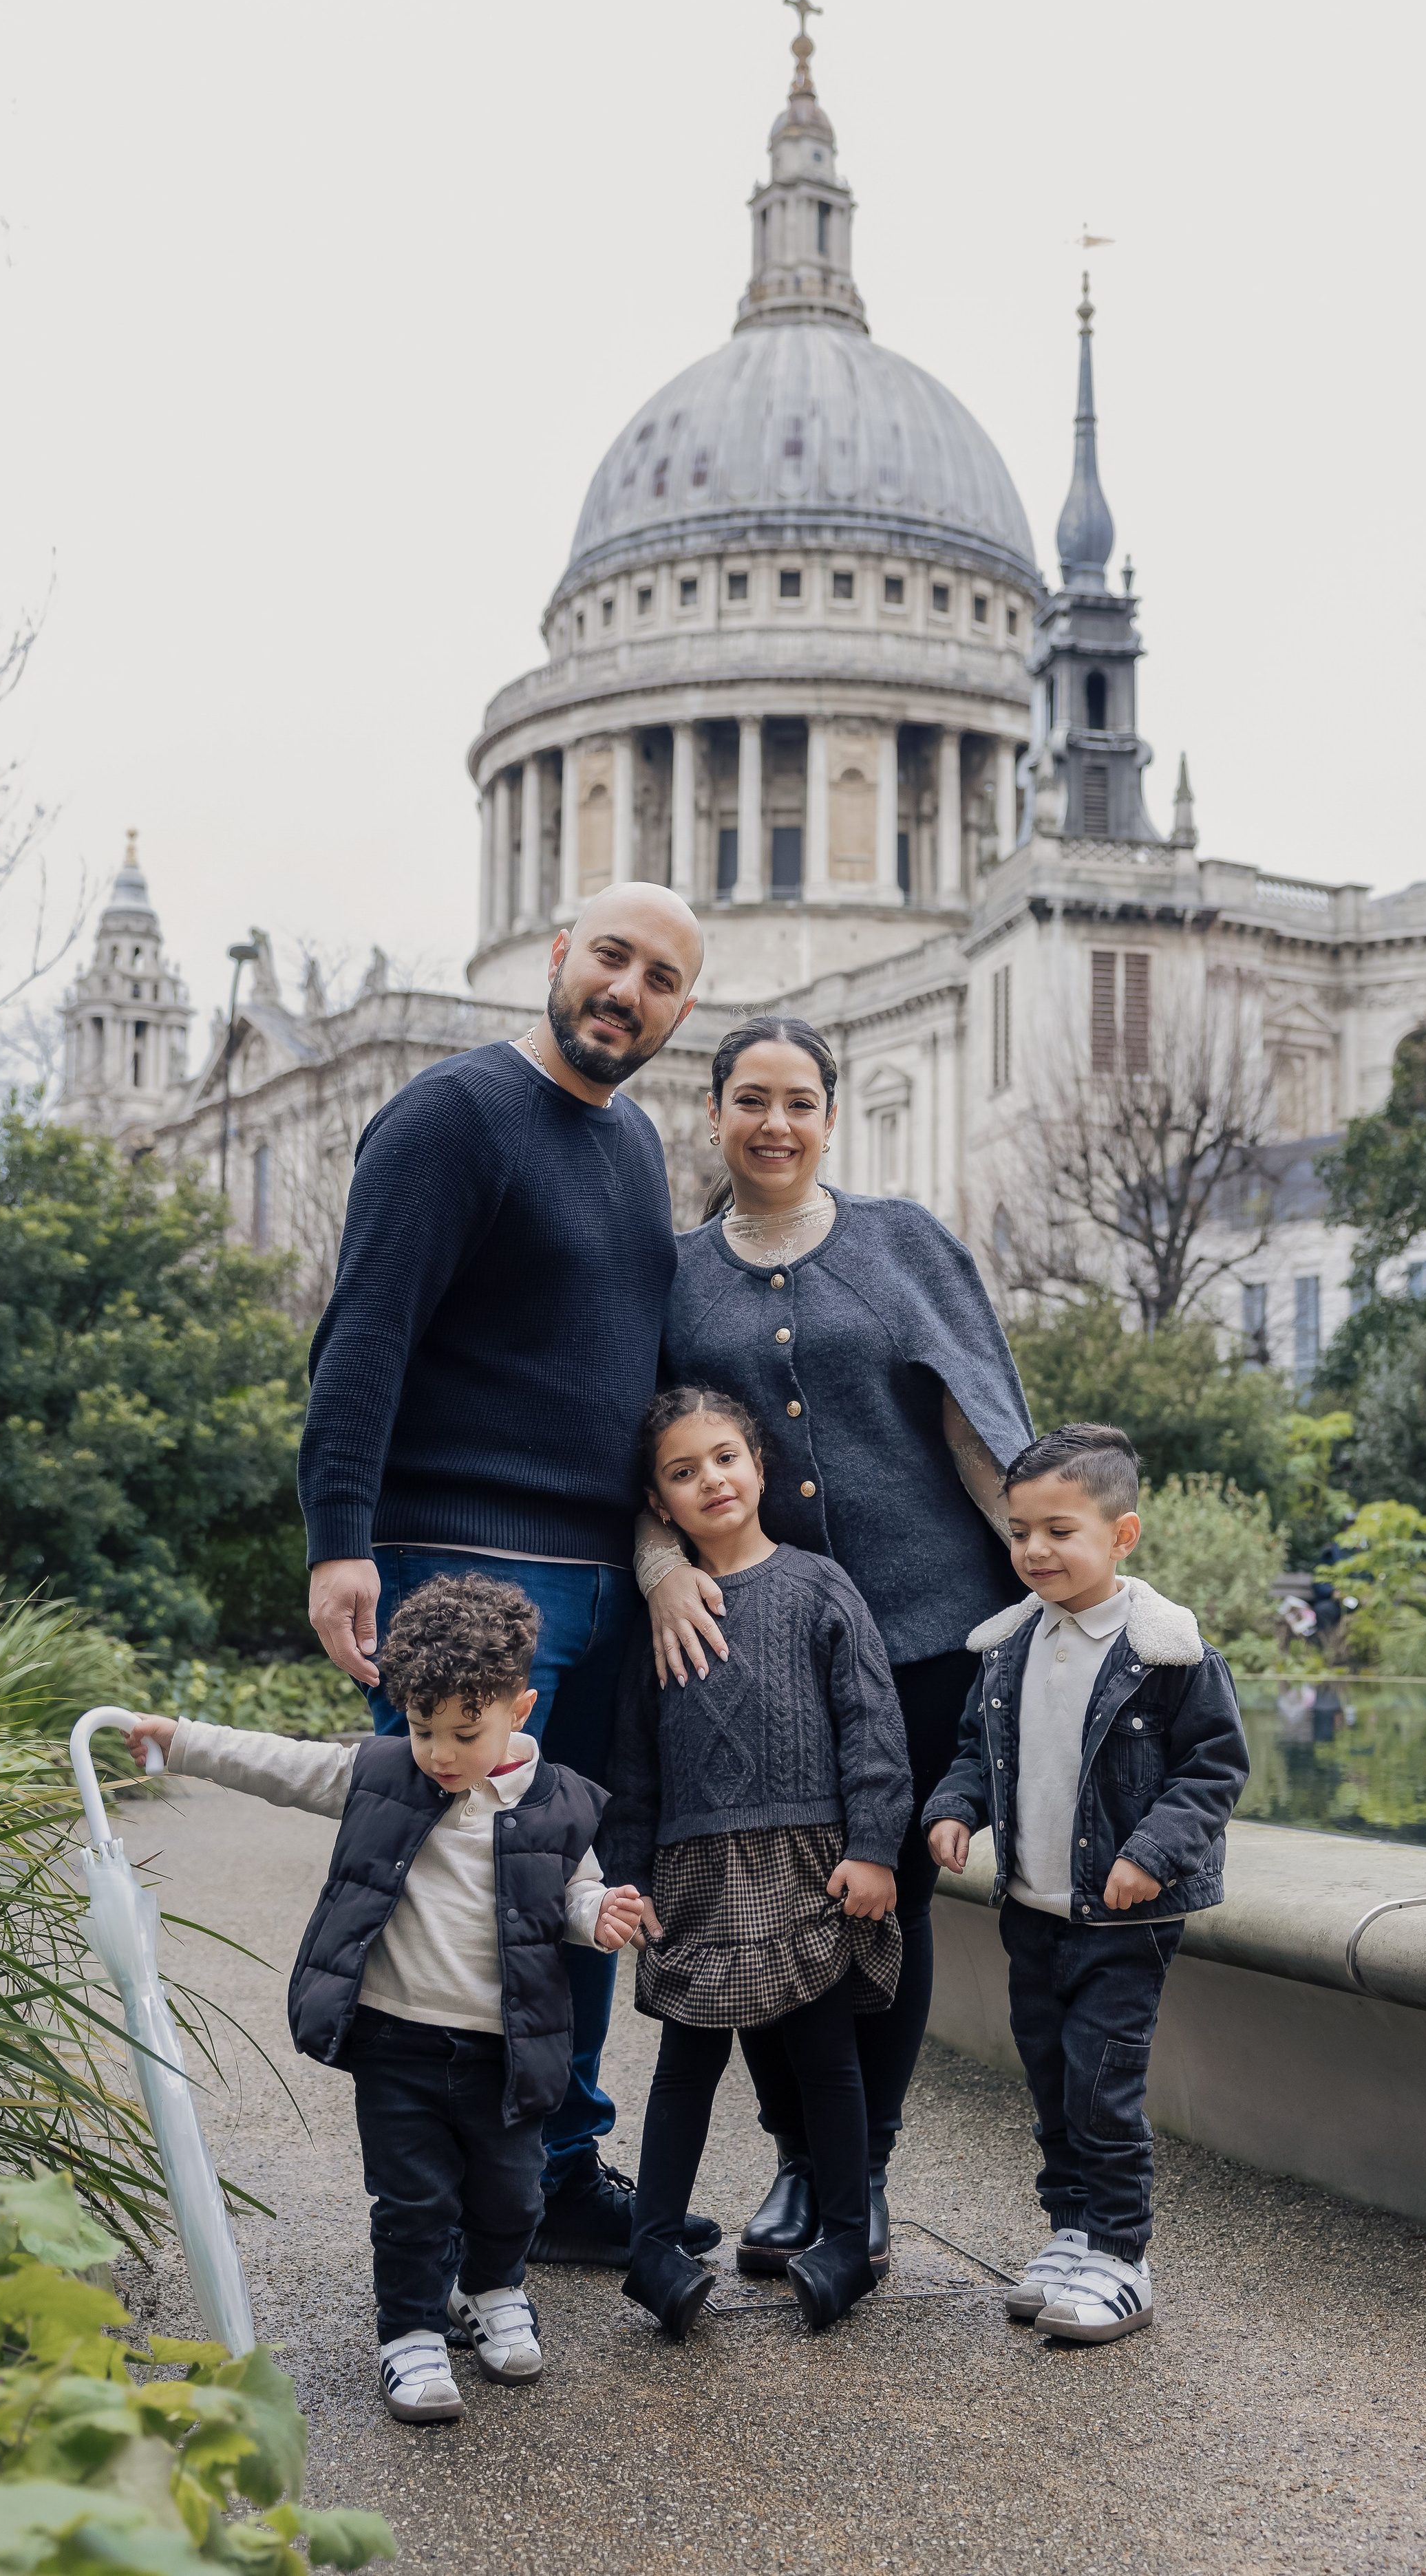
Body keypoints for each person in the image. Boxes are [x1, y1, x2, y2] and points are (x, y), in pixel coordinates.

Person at [299, 881, 719, 2267]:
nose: (626, 990)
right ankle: (448, 2210)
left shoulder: (634, 1147)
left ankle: (552, 2164)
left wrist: (663, 1551)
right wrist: (337, 1537)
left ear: (678, 1008)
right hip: (458, 1572)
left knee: (571, 1881)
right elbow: (363, 1336)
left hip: (599, 1578)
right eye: (609, 957)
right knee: (454, 1902)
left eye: (660, 977)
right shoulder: (451, 1115)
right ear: (555, 957)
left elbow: (643, 1378)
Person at [643, 1014, 1031, 2274]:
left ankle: (857, 2176)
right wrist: (659, 1572)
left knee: (886, 1898)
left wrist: (1050, 1588)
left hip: (926, 1632)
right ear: (714, 1116)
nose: (775, 1125)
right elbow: (634, 1453)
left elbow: (983, 1427)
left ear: (829, 1114)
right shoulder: (675, 1273)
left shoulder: (902, 1242)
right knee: (762, 1896)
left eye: (799, 1101)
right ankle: (799, 2158)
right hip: (753, 1646)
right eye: (750, 1100)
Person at [124, 1574, 646, 2424]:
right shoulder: (380, 1774)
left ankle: (490, 2289)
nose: (439, 1751)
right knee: (412, 2201)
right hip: (397, 2043)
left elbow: (576, 1899)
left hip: (506, 2049)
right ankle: (408, 2330)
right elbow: (278, 1763)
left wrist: (602, 1917)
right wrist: (178, 1740)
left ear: (522, 1708)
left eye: (463, 1731)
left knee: (514, 2194)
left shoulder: (564, 1805)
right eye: (421, 1726)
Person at [924, 1421, 1250, 2345]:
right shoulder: (1009, 1649)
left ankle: (1121, 2254)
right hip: (1031, 1910)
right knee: (1052, 2078)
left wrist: (1151, 1853)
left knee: (1103, 2085)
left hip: (1122, 1920)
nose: (1034, 1550)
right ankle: (1071, 2232)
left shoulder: (1168, 1656)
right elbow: (976, 1756)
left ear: (1123, 1535)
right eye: (1021, 1531)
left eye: (1059, 1530)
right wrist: (954, 1808)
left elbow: (1213, 1773)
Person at [602, 1387, 912, 2337]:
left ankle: (847, 2244)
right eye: (684, 1472)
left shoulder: (820, 1585)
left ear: (761, 1465)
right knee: (684, 2067)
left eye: (726, 1458)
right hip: (694, 1875)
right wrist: (627, 1875)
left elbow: (872, 1727)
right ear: (660, 1503)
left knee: (828, 2064)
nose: (712, 1481)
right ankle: (652, 2247)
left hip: (807, 1863)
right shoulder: (660, 1617)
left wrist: (872, 1846)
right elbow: (634, 1763)